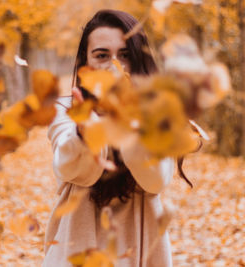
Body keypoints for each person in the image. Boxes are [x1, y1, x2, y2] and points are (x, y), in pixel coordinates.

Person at [43, 9, 175, 267]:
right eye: (102, 55)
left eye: (124, 55)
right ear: (86, 61)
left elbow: (156, 179)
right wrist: (84, 133)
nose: (114, 64)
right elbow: (71, 167)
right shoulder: (65, 110)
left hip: (142, 250)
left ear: (137, 59)